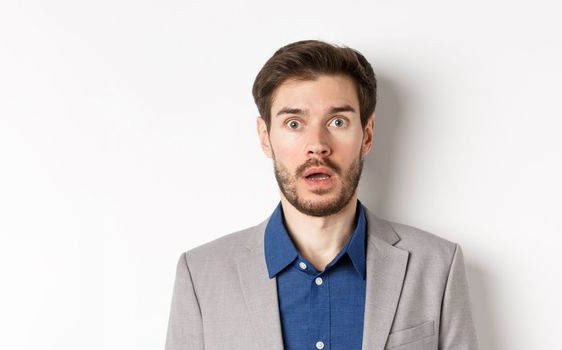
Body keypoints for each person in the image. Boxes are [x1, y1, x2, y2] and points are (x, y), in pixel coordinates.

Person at [164, 40, 477, 350]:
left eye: (337, 121)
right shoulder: (201, 275)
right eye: (294, 123)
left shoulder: (438, 266)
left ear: (366, 136)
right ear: (265, 138)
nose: (317, 144)